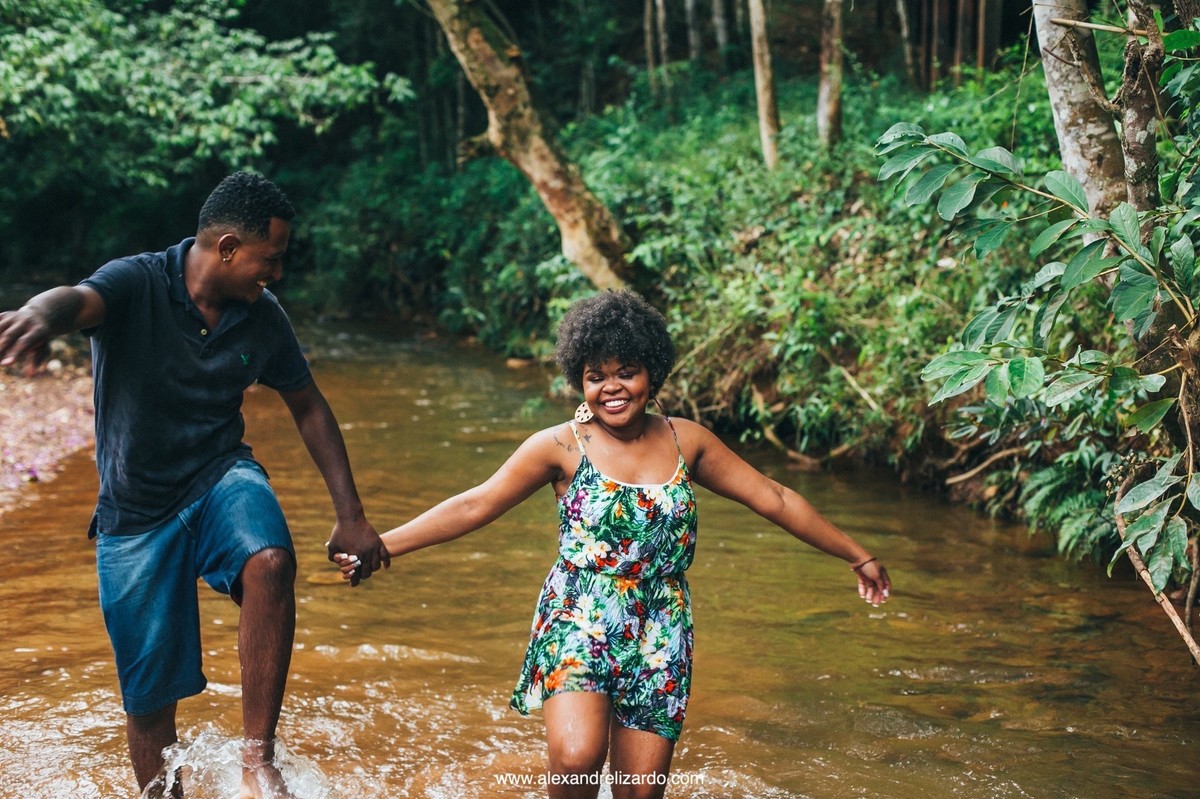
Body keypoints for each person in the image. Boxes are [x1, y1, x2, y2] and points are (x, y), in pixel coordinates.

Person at [334, 290, 891, 799]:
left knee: (639, 791)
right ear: (579, 380)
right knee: (577, 760)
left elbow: (774, 497)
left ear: (654, 373)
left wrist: (855, 553)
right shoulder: (559, 446)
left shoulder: (686, 440)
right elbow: (475, 504)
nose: (612, 388)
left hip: (662, 620)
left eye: (627, 372)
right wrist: (382, 546)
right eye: (596, 375)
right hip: (579, 610)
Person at [0, 172, 389, 799]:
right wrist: (38, 317)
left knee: (269, 559)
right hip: (135, 513)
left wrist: (352, 513)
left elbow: (308, 405)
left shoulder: (262, 317)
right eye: (273, 258)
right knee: (150, 701)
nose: (278, 274)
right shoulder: (138, 281)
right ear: (229, 247)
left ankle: (256, 759)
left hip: (219, 475)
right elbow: (76, 300)